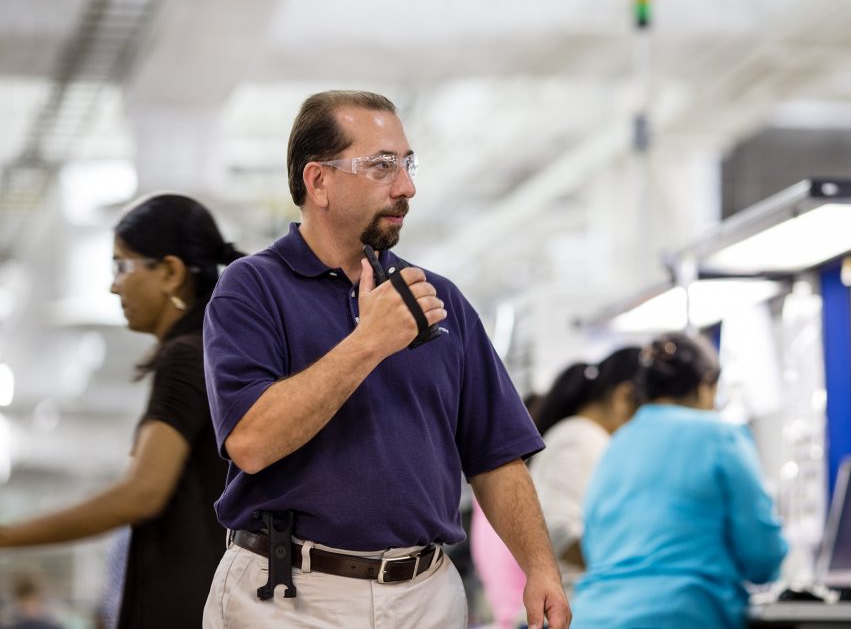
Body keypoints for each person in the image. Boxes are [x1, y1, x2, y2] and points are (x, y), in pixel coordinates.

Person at [201, 90, 570, 629]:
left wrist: (540, 567)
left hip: (427, 597)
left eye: (407, 164)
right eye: (381, 166)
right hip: (290, 598)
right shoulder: (251, 289)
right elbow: (250, 443)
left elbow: (496, 456)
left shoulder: (439, 299)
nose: (406, 187)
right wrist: (368, 341)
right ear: (318, 182)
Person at [0, 194, 242, 628]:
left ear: (170, 272)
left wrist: (7, 534)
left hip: (183, 605)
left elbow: (142, 492)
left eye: (122, 266)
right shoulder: (210, 354)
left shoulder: (185, 358)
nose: (115, 286)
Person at [572, 333, 788, 629]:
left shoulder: (614, 445)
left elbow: (593, 547)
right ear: (706, 385)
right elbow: (762, 556)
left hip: (593, 616)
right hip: (681, 614)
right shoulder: (720, 436)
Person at [530, 348, 640, 591]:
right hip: (574, 602)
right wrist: (635, 563)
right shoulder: (581, 438)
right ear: (623, 397)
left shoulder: (589, 438)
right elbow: (558, 533)